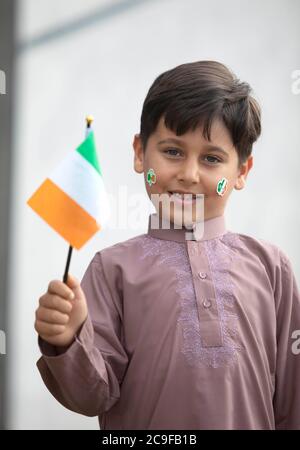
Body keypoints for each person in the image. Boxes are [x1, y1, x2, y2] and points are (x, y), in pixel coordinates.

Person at [34, 60, 300, 430]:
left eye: (211, 159)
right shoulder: (112, 269)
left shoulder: (273, 268)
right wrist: (69, 340)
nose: (189, 175)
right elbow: (92, 395)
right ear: (140, 153)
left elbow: (293, 399)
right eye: (173, 152)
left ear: (241, 172)